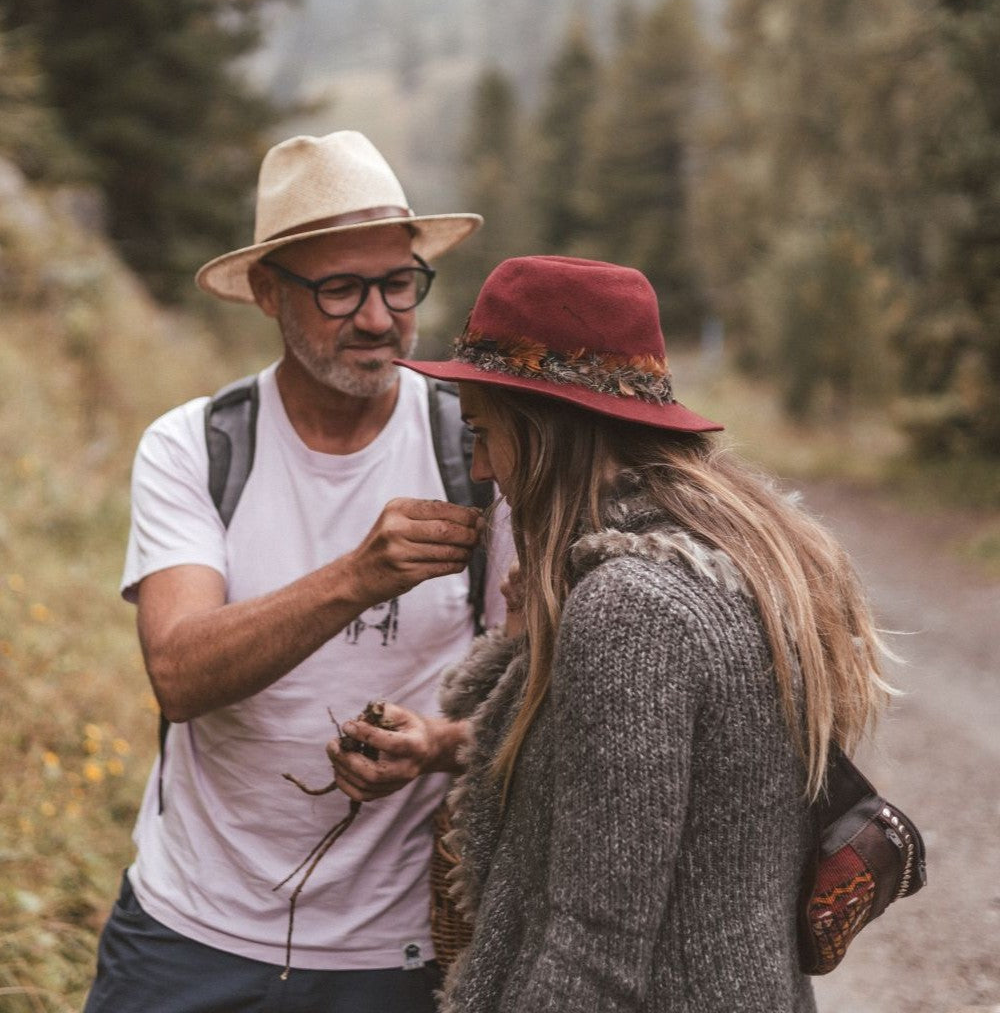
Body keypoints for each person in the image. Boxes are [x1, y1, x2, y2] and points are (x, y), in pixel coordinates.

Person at [335, 255, 891, 1013]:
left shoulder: (630, 612)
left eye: (486, 432)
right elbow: (637, 785)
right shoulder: (730, 557)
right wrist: (529, 640)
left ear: (545, 431)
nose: (480, 466)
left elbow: (594, 947)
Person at [83, 130, 510, 1013]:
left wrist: (436, 747)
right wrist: (356, 576)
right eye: (340, 288)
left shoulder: (476, 446)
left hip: (400, 951)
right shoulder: (196, 446)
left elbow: (547, 702)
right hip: (187, 930)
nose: (379, 317)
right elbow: (180, 674)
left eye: (398, 283)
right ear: (271, 294)